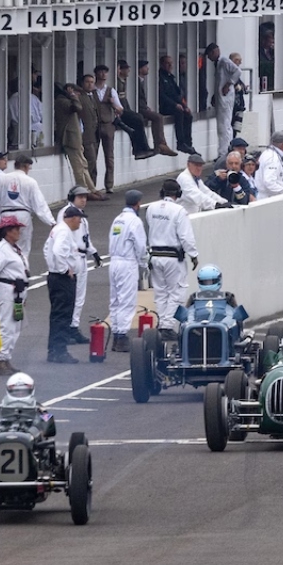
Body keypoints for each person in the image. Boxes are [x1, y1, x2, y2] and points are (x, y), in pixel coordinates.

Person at [43, 203, 94, 363]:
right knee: (63, 315)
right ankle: (60, 351)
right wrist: (65, 269)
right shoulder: (64, 232)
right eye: (79, 219)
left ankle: (54, 350)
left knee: (57, 314)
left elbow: (47, 249)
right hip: (62, 279)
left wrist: (53, 266)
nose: (80, 223)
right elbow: (58, 251)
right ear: (72, 218)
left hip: (55, 276)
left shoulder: (58, 230)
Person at [0, 215, 30, 375]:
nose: (19, 232)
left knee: (15, 326)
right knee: (7, 326)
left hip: (17, 291)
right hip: (7, 289)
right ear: (8, 232)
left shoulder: (14, 248)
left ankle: (5, 357)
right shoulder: (2, 249)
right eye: (16, 229)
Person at [146, 180, 197, 326]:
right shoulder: (179, 211)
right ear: (178, 194)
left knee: (160, 293)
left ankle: (162, 322)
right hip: (173, 258)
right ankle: (167, 325)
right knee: (176, 293)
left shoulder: (151, 208)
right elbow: (186, 236)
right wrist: (193, 255)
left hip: (155, 256)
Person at [0, 154, 56, 264]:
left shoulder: (2, 179)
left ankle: (6, 274)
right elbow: (39, 205)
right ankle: (22, 273)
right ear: (25, 167)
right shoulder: (30, 181)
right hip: (22, 216)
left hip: (5, 215)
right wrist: (51, 222)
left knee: (5, 247)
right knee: (23, 249)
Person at [105, 190, 148, 351]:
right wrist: (144, 263)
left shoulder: (118, 219)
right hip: (127, 263)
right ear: (137, 204)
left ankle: (116, 333)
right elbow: (141, 246)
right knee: (127, 301)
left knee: (115, 300)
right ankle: (122, 336)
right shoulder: (135, 221)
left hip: (114, 262)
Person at [209, 43, 243, 155]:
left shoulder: (224, 61)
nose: (209, 58)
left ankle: (224, 151)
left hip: (226, 97)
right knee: (222, 125)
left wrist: (229, 84)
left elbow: (237, 71)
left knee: (225, 125)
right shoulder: (219, 63)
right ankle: (224, 150)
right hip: (221, 97)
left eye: (210, 55)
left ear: (214, 52)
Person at [158, 55, 196, 156]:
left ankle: (188, 143)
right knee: (179, 113)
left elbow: (177, 94)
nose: (170, 66)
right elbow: (161, 95)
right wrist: (175, 105)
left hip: (174, 104)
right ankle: (181, 142)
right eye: (167, 63)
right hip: (165, 106)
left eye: (171, 63)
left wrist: (184, 106)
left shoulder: (171, 77)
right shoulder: (160, 77)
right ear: (162, 64)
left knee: (188, 114)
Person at [257, 130, 283, 196]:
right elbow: (269, 182)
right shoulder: (272, 158)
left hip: (277, 196)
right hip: (271, 198)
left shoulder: (277, 155)